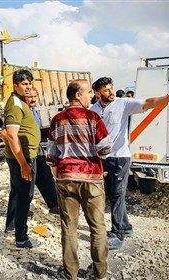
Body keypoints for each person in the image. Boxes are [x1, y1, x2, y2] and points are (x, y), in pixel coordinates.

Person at [90, 77, 169, 250]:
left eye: (112, 88)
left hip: (120, 157)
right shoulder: (93, 109)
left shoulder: (123, 103)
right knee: (112, 194)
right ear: (97, 93)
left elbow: (148, 102)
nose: (111, 92)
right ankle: (126, 227)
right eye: (106, 90)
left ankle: (118, 234)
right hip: (103, 159)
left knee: (118, 195)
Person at [47, 79, 112, 280]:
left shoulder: (57, 119)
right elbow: (105, 148)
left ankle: (71, 274)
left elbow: (51, 155)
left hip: (66, 179)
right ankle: (99, 273)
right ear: (77, 95)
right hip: (92, 179)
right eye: (88, 93)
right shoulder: (93, 118)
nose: (91, 96)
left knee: (69, 228)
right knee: (98, 227)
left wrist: (59, 172)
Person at [3, 88, 59, 233]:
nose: (33, 99)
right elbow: (8, 134)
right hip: (24, 153)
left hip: (36, 150)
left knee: (45, 177)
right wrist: (21, 161)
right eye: (30, 96)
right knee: (21, 189)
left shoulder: (32, 110)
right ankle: (14, 224)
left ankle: (54, 204)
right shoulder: (17, 109)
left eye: (35, 96)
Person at [3, 69, 41, 248]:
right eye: (25, 84)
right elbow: (11, 136)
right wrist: (24, 164)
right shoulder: (15, 104)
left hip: (24, 156)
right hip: (22, 158)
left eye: (30, 84)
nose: (28, 87)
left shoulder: (20, 102)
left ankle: (11, 227)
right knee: (25, 196)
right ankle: (21, 238)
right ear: (15, 85)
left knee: (17, 193)